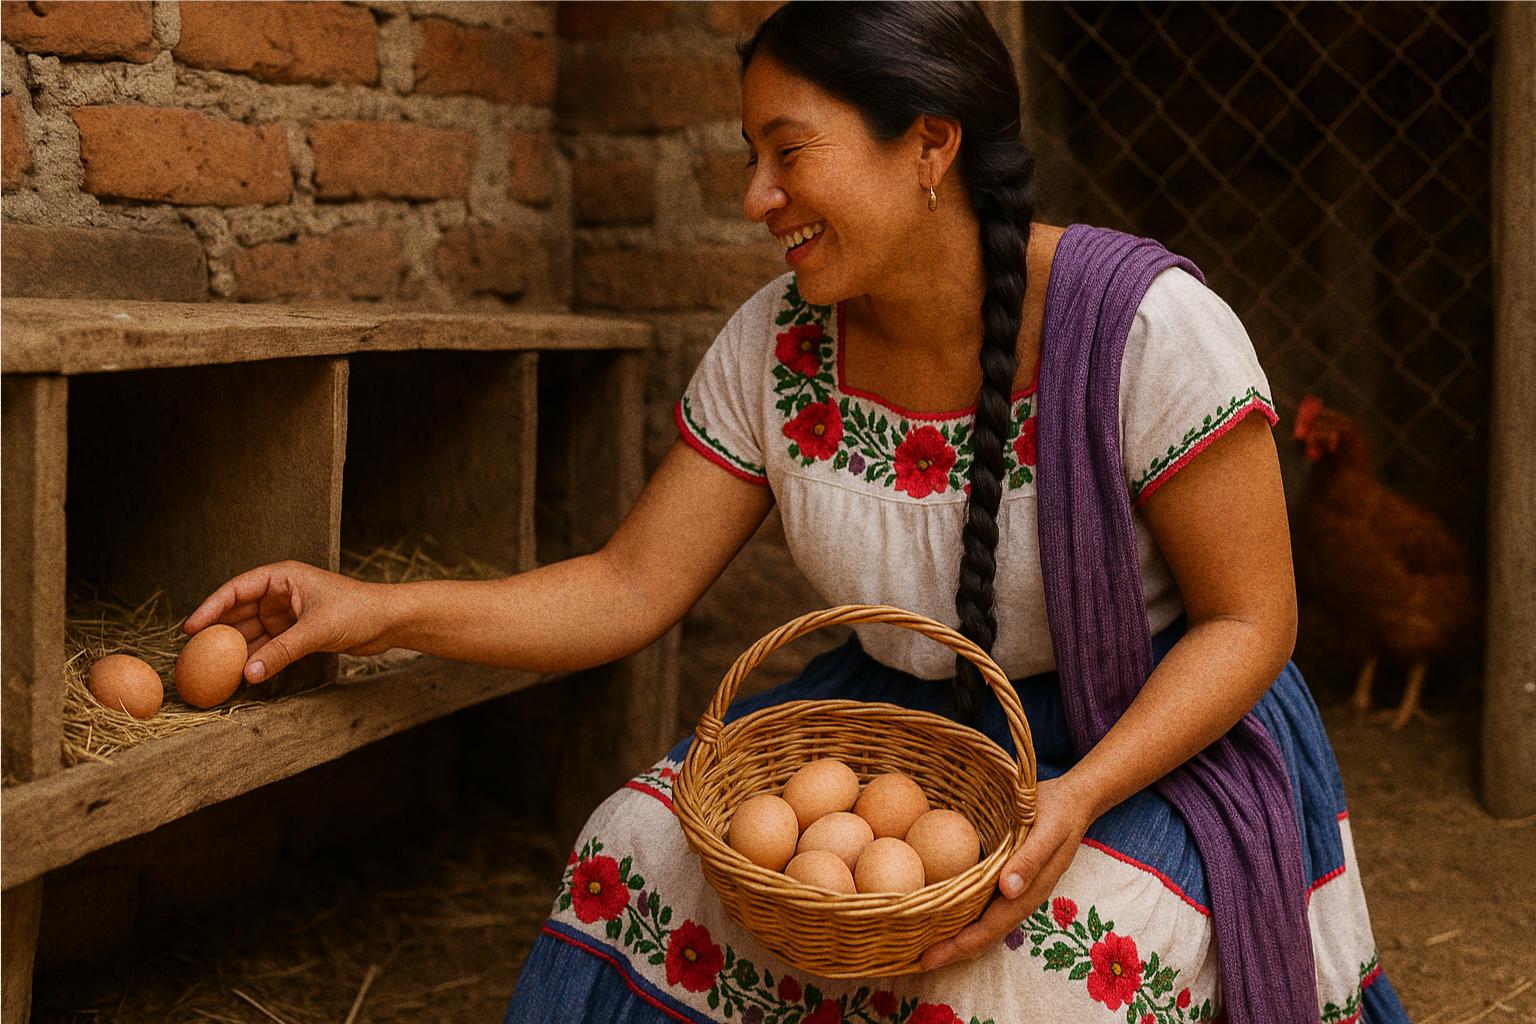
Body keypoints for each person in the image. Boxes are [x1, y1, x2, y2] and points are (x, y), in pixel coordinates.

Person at [184, 4, 1410, 1022]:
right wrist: (374, 610)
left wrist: (1076, 799)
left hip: (1136, 737)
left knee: (1020, 975)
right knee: (635, 847)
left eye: (788, 151)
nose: (755, 196)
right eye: (748, 156)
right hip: (900, 734)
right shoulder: (777, 347)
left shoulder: (1143, 332)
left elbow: (1253, 623)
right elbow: (628, 586)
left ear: (929, 146)